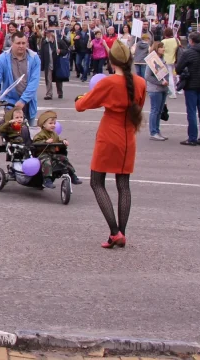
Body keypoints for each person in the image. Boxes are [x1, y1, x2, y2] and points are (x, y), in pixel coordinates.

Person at [74, 41, 145, 249]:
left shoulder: (108, 82)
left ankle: (114, 232)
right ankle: (122, 232)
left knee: (97, 182)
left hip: (109, 135)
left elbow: (82, 105)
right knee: (123, 185)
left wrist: (81, 98)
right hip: (128, 135)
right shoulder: (140, 82)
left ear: (111, 60)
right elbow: (138, 106)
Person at [0, 32, 41, 123]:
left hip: (28, 102)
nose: (21, 46)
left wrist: (23, 101)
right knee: (12, 134)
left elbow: (34, 82)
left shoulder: (34, 58)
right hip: (10, 103)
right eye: (18, 43)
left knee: (29, 133)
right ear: (12, 43)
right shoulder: (2, 59)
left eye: (23, 43)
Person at [175, 32, 200, 146]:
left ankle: (192, 137)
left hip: (191, 84)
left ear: (191, 41)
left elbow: (178, 68)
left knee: (191, 112)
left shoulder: (189, 53)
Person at [145, 41, 170, 141]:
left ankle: (157, 130)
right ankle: (153, 132)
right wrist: (160, 83)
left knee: (159, 111)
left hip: (163, 88)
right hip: (155, 89)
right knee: (155, 110)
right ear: (157, 49)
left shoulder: (162, 59)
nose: (163, 49)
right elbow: (147, 76)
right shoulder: (152, 60)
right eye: (161, 47)